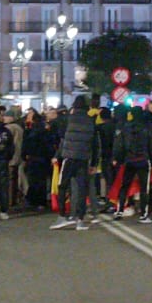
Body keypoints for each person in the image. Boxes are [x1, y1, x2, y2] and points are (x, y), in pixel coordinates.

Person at [51, 97, 97, 231]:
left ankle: (62, 216)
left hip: (68, 158)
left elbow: (63, 140)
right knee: (82, 188)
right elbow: (95, 145)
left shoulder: (67, 120)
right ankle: (80, 220)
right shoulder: (91, 122)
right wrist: (93, 163)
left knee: (62, 186)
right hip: (83, 159)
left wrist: (57, 156)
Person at [111, 104, 152, 223]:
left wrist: (117, 158)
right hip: (143, 160)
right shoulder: (147, 128)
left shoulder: (125, 128)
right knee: (145, 188)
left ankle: (119, 210)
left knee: (124, 186)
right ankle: (144, 214)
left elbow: (119, 146)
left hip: (129, 160)